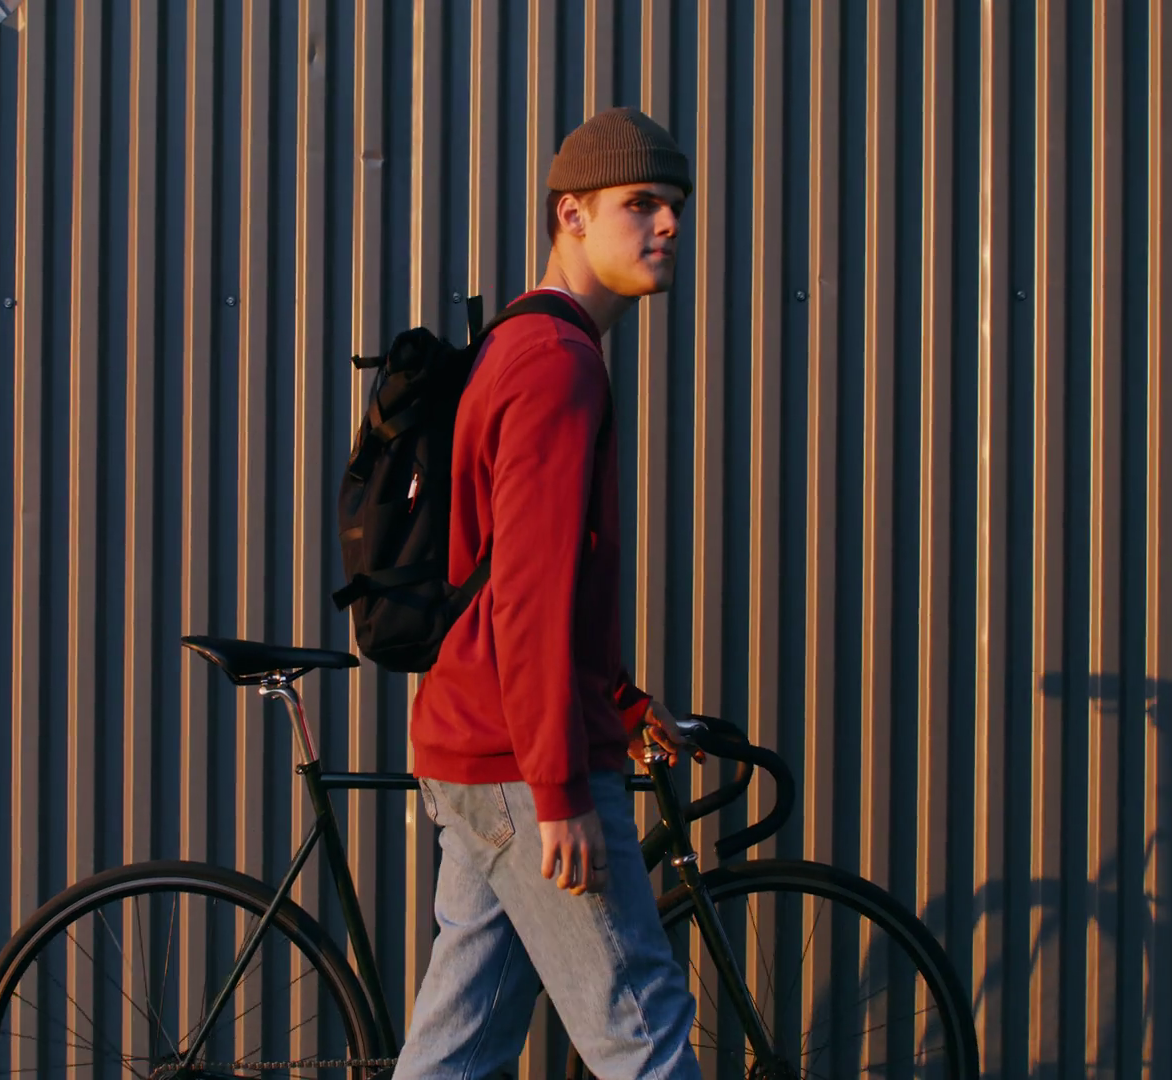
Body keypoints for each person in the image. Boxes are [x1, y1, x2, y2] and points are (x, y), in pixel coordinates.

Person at [393, 106, 702, 1080]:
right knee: (644, 1037)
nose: (668, 224)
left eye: (676, 205)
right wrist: (560, 790)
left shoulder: (524, 343)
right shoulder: (556, 364)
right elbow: (527, 596)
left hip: (484, 748)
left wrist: (621, 702)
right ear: (572, 213)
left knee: (455, 1053)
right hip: (523, 768)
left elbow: (529, 581)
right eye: (640, 203)